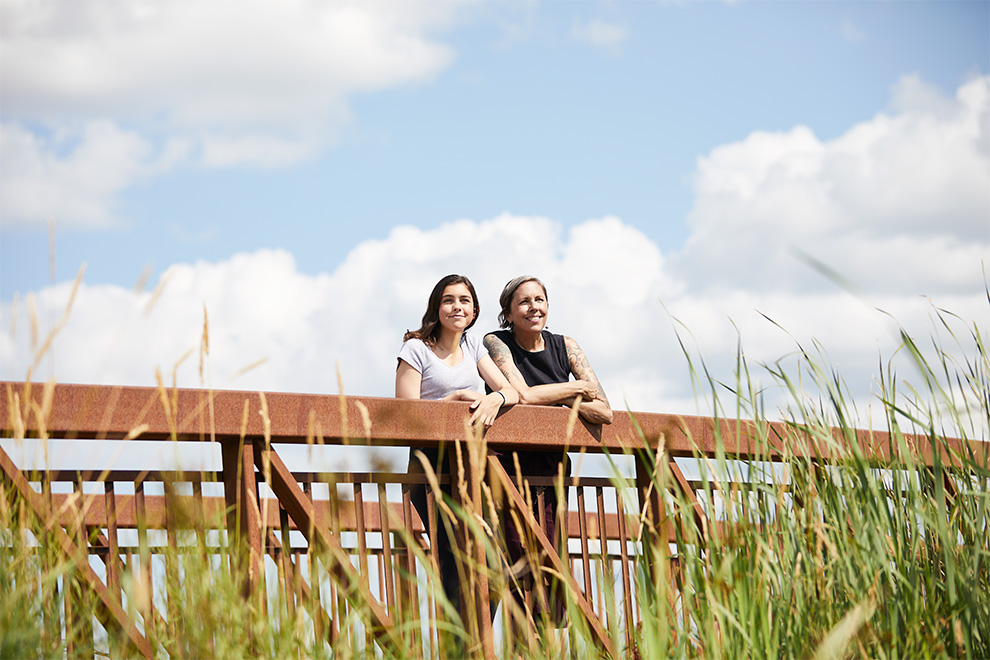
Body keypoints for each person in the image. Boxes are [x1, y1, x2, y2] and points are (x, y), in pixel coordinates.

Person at [483, 275, 612, 625]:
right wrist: (575, 390)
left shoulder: (566, 346)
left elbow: (605, 412)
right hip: (505, 466)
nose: (533, 307)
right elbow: (521, 394)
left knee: (550, 550)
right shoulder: (496, 342)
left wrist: (562, 397)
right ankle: (521, 637)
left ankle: (544, 634)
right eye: (523, 302)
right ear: (508, 312)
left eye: (539, 299)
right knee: (516, 552)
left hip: (552, 467)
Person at [395, 274, 518, 618]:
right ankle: (462, 648)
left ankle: (477, 642)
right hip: (431, 466)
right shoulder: (416, 348)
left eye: (464, 300)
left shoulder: (474, 347)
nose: (457, 307)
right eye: (449, 300)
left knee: (495, 555)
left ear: (475, 309)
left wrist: (496, 399)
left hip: (473, 465)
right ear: (437, 308)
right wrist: (453, 401)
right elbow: (404, 413)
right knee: (451, 558)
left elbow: (512, 392)